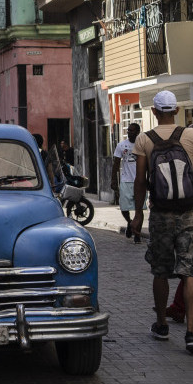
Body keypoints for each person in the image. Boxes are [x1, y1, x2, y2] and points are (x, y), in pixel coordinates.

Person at [131, 90, 193, 350]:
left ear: (154, 112)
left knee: (160, 271)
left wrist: (138, 214)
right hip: (190, 212)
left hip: (160, 215)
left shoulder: (144, 139)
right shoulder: (190, 135)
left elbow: (140, 180)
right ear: (176, 110)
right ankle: (191, 333)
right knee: (189, 272)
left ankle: (161, 325)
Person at [111, 123, 142, 243]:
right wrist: (113, 180)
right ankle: (130, 222)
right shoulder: (121, 145)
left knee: (139, 210)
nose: (129, 132)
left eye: (132, 131)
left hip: (139, 181)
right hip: (125, 180)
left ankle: (138, 236)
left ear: (138, 132)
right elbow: (116, 164)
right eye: (128, 130)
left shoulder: (142, 144)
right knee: (124, 207)